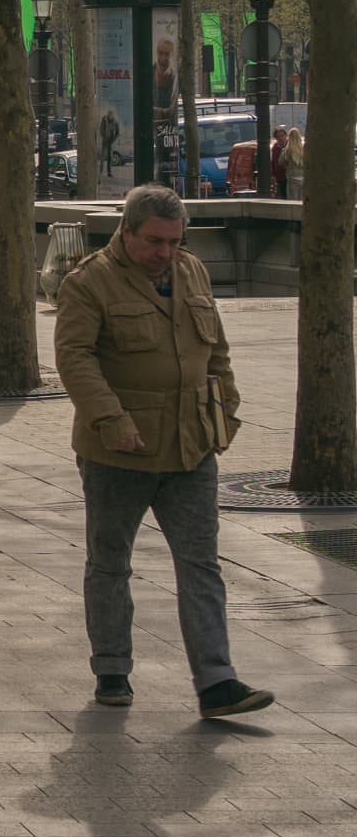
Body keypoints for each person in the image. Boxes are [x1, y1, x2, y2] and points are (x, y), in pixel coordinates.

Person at [53, 183, 272, 718]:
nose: (165, 252)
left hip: (192, 448)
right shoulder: (89, 282)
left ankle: (217, 682)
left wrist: (225, 408)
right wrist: (111, 419)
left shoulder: (192, 271)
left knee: (201, 565)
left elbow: (216, 350)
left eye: (175, 241)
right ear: (125, 231)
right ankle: (112, 670)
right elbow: (75, 358)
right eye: (154, 241)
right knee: (110, 564)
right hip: (118, 453)